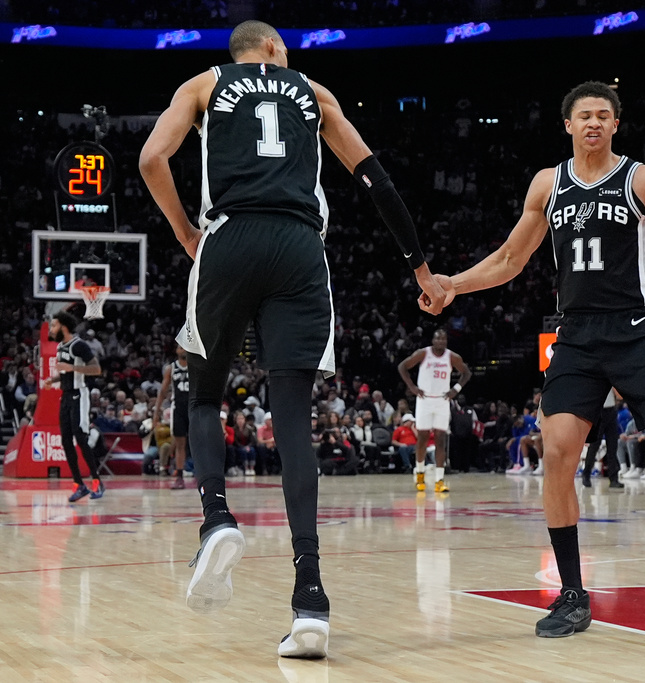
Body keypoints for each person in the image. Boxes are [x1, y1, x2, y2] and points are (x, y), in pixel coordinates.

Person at [139, 19, 445, 659]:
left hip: (230, 237)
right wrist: (420, 267)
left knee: (202, 395)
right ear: (276, 49)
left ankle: (217, 517)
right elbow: (375, 180)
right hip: (301, 250)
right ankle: (311, 600)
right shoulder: (315, 92)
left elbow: (150, 159)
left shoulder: (203, 84)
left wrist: (182, 230)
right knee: (295, 421)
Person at [426, 81, 645, 637]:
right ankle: (571, 594)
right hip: (576, 336)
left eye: (603, 116)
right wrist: (454, 284)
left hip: (639, 331)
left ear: (616, 125)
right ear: (567, 125)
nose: (593, 123)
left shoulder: (644, 178)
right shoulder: (548, 184)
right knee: (558, 452)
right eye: (584, 115)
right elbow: (512, 257)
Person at [397, 329, 472, 493]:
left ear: (446, 341)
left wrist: (456, 389)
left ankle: (439, 479)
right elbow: (402, 366)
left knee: (440, 440)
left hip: (442, 400)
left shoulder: (452, 357)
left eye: (443, 339)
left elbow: (466, 373)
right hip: (424, 400)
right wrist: (412, 387)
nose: (440, 341)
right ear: (433, 340)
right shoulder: (423, 354)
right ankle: (420, 475)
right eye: (438, 338)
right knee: (422, 439)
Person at [43, 311, 105, 502]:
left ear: (63, 327)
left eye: (53, 326)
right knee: (66, 442)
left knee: (80, 437)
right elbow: (65, 373)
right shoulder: (61, 346)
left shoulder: (79, 345)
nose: (51, 330)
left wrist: (72, 368)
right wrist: (53, 379)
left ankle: (96, 481)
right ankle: (79, 484)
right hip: (66, 396)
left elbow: (96, 369)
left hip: (80, 395)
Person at [155, 346, 192, 488]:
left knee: (199, 443)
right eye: (180, 347)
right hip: (179, 409)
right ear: (176, 351)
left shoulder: (195, 366)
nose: (183, 350)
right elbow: (163, 392)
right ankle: (180, 476)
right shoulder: (171, 368)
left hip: (194, 408)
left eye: (185, 347)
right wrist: (156, 413)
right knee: (180, 444)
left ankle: (204, 476)